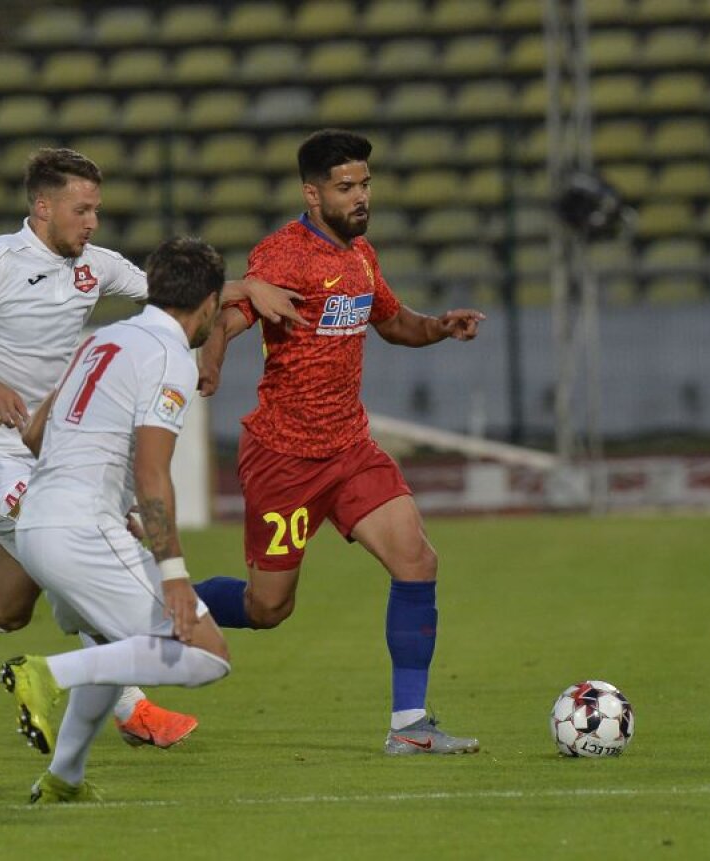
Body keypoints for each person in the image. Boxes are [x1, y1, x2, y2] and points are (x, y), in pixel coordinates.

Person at [0, 148, 299, 748]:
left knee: (6, 608)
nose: (92, 223)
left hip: (45, 453)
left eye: (97, 211)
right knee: (79, 550)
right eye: (81, 211)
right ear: (42, 207)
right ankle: (131, 707)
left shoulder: (95, 265)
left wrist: (245, 288)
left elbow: (175, 296)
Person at [193, 129, 484, 756]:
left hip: (350, 449)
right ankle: (163, 601)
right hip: (285, 458)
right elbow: (230, 315)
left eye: (365, 185)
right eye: (346, 188)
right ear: (313, 193)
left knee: (417, 561)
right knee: (269, 608)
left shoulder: (360, 256)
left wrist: (439, 326)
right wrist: (212, 361)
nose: (360, 198)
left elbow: (394, 321)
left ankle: (409, 727)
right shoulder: (284, 256)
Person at [1, 236, 232, 803]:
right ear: (208, 302)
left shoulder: (101, 339)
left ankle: (64, 778)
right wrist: (173, 572)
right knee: (206, 655)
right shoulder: (170, 357)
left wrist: (103, 500)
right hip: (80, 528)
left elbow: (34, 434)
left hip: (36, 523)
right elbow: (154, 472)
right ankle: (46, 673)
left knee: (108, 641)